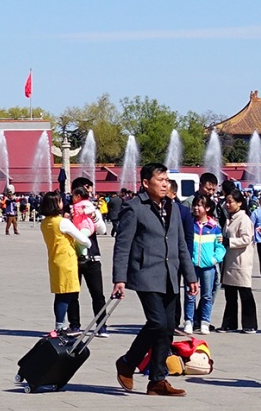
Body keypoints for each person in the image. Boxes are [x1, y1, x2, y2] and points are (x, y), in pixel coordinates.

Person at [111, 163, 198, 397]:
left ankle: (157, 381)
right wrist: (119, 278)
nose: (164, 183)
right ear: (146, 183)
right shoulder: (134, 208)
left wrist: (190, 276)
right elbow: (123, 245)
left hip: (170, 274)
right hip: (145, 273)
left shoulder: (173, 208)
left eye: (166, 179)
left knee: (168, 327)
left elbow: (181, 244)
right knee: (158, 322)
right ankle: (128, 362)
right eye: (160, 179)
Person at [38, 192, 90, 332]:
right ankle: (60, 325)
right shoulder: (62, 222)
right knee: (67, 294)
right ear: (56, 204)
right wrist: (88, 242)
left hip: (55, 259)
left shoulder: (45, 223)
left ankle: (60, 323)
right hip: (67, 260)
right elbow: (82, 239)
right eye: (60, 201)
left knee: (60, 293)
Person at [70, 178, 110, 335]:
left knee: (97, 294)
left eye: (90, 189)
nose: (90, 192)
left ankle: (101, 325)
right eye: (87, 188)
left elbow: (102, 230)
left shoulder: (92, 208)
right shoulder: (69, 209)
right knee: (72, 293)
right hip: (72, 256)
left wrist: (94, 216)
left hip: (93, 257)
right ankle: (74, 325)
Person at [183, 195, 225, 334]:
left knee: (207, 295)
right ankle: (188, 321)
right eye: (194, 205)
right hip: (192, 265)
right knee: (190, 294)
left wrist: (214, 259)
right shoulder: (190, 225)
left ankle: (204, 322)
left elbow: (220, 247)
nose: (195, 208)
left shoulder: (214, 227)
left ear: (207, 208)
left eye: (199, 205)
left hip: (208, 267)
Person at [219, 191, 259, 333]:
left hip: (241, 261)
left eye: (231, 202)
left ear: (240, 203)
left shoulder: (244, 219)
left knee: (245, 292)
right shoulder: (230, 218)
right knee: (230, 294)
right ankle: (230, 323)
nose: (228, 205)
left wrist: (228, 241)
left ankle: (250, 324)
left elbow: (246, 239)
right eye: (227, 202)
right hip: (230, 260)